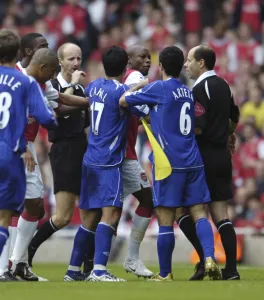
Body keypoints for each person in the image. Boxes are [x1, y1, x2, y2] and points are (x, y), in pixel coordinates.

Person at [119, 46, 222, 281]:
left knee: (166, 218)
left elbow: (124, 101)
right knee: (199, 213)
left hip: (169, 163)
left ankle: (165, 273)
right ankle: (209, 258)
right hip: (193, 160)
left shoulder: (158, 88)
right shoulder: (187, 91)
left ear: (162, 67)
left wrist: (139, 86)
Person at [64, 46, 148, 282]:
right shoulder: (121, 92)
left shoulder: (95, 86)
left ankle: (72, 270)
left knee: (88, 218)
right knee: (110, 215)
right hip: (109, 163)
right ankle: (99, 270)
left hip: (90, 159)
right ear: (125, 68)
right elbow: (132, 104)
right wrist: (144, 86)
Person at [27, 43, 93, 276]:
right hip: (63, 149)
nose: (76, 63)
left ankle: (88, 268)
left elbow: (84, 121)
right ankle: (30, 248)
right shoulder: (51, 86)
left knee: (90, 213)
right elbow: (58, 111)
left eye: (79, 58)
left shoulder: (82, 89)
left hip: (83, 148)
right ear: (60, 61)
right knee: (64, 216)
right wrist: (74, 85)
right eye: (71, 59)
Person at [0, 29, 57, 282]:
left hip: (22, 145)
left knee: (33, 205)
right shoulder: (25, 81)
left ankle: (16, 264)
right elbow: (46, 116)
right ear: (22, 52)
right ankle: (4, 268)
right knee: (6, 211)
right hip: (16, 148)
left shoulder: (38, 81)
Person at [184, 45, 240, 280]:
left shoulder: (200, 87)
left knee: (185, 211)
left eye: (189, 60)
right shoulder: (224, 85)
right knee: (221, 214)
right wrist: (229, 135)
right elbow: (234, 116)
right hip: (222, 157)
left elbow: (198, 126)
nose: (186, 65)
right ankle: (231, 270)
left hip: (202, 156)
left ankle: (204, 260)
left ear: (201, 63)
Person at [122, 45, 153, 278]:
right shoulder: (135, 77)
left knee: (107, 210)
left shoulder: (125, 80)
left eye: (149, 57)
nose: (147, 61)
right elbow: (147, 113)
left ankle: (89, 264)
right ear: (129, 60)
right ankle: (132, 258)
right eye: (142, 57)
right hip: (124, 156)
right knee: (147, 200)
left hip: (119, 154)